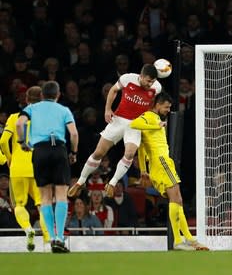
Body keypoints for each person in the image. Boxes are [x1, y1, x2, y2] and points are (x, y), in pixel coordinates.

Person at [68, 64, 162, 198]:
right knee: (99, 152)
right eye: (148, 81)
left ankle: (112, 183)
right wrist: (108, 109)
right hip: (118, 120)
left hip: (136, 124)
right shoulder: (127, 78)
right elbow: (113, 90)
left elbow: (154, 105)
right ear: (141, 76)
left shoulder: (156, 88)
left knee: (129, 154)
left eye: (152, 81)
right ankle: (80, 181)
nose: (150, 84)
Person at [130, 91, 209, 250]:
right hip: (161, 162)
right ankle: (180, 240)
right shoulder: (149, 117)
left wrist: (144, 170)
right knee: (176, 198)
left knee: (177, 199)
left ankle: (187, 239)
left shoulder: (157, 120)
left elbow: (143, 147)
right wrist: (155, 125)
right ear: (157, 105)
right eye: (166, 107)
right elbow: (133, 123)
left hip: (162, 163)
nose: (167, 110)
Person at [16, 81, 79, 253]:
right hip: (58, 149)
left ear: (42, 95)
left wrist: (22, 142)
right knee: (61, 195)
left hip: (40, 151)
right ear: (58, 95)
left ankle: (51, 238)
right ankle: (59, 237)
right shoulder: (64, 110)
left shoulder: (31, 109)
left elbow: (19, 124)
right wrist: (73, 152)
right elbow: (73, 133)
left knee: (44, 197)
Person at [0, 86, 50, 251]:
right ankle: (47, 238)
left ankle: (29, 230)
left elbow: (2, 141)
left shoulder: (14, 118)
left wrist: (9, 158)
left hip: (17, 169)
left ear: (26, 100)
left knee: (19, 204)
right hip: (38, 168)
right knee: (42, 205)